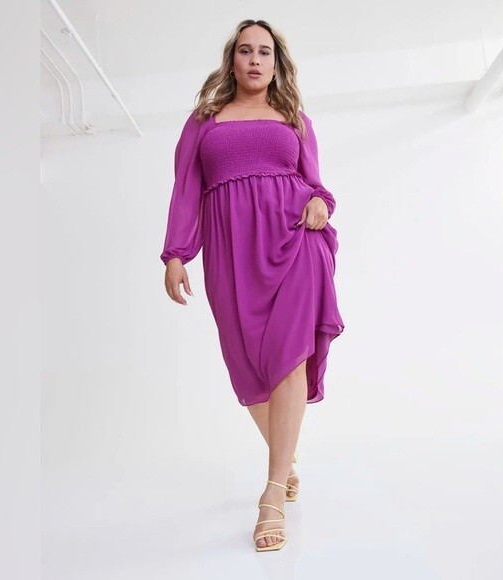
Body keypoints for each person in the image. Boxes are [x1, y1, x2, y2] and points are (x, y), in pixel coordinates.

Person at [160, 19, 345, 551]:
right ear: (232, 60)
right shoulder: (204, 121)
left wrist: (319, 202)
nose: (255, 59)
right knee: (246, 364)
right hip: (231, 252)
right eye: (246, 51)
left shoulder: (294, 119)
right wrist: (176, 253)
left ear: (276, 63)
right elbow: (185, 189)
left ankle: (271, 493)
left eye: (265, 52)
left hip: (294, 242)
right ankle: (286, 462)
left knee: (289, 359)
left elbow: (316, 184)